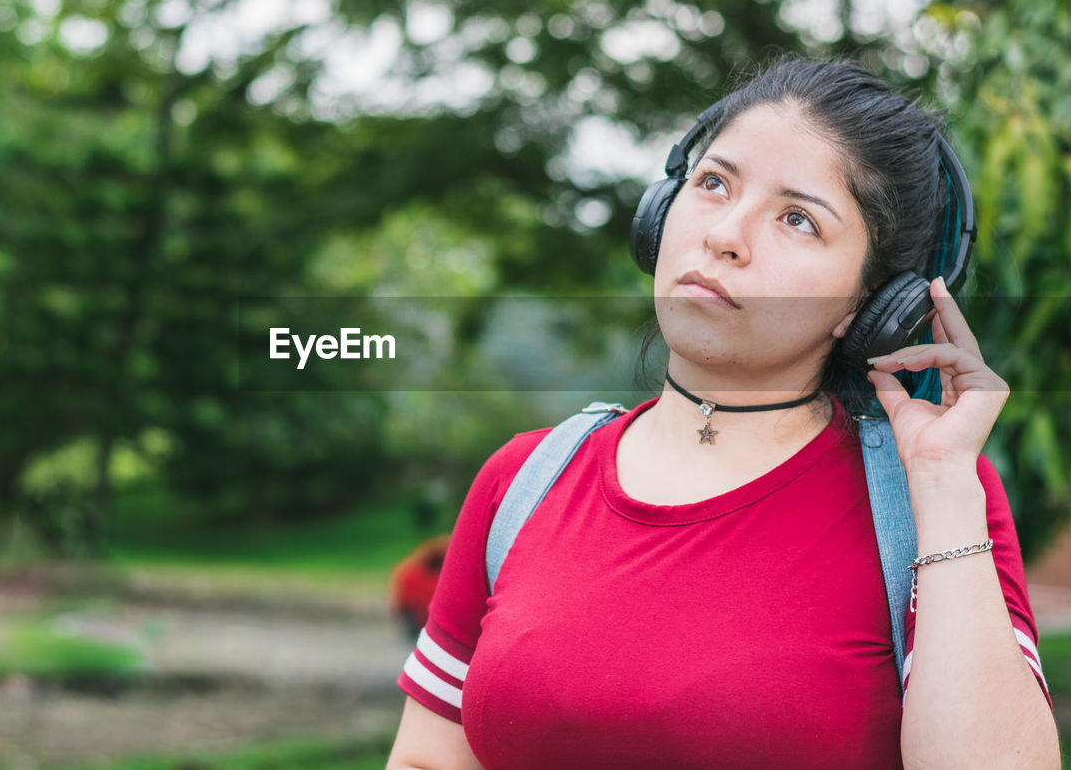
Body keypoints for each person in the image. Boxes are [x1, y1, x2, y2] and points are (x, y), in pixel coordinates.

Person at [385, 57, 1061, 769]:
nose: (725, 234)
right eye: (713, 183)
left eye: (797, 219)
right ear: (659, 213)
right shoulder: (525, 478)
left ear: (871, 306)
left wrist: (943, 483)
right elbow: (428, 758)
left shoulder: (929, 499)